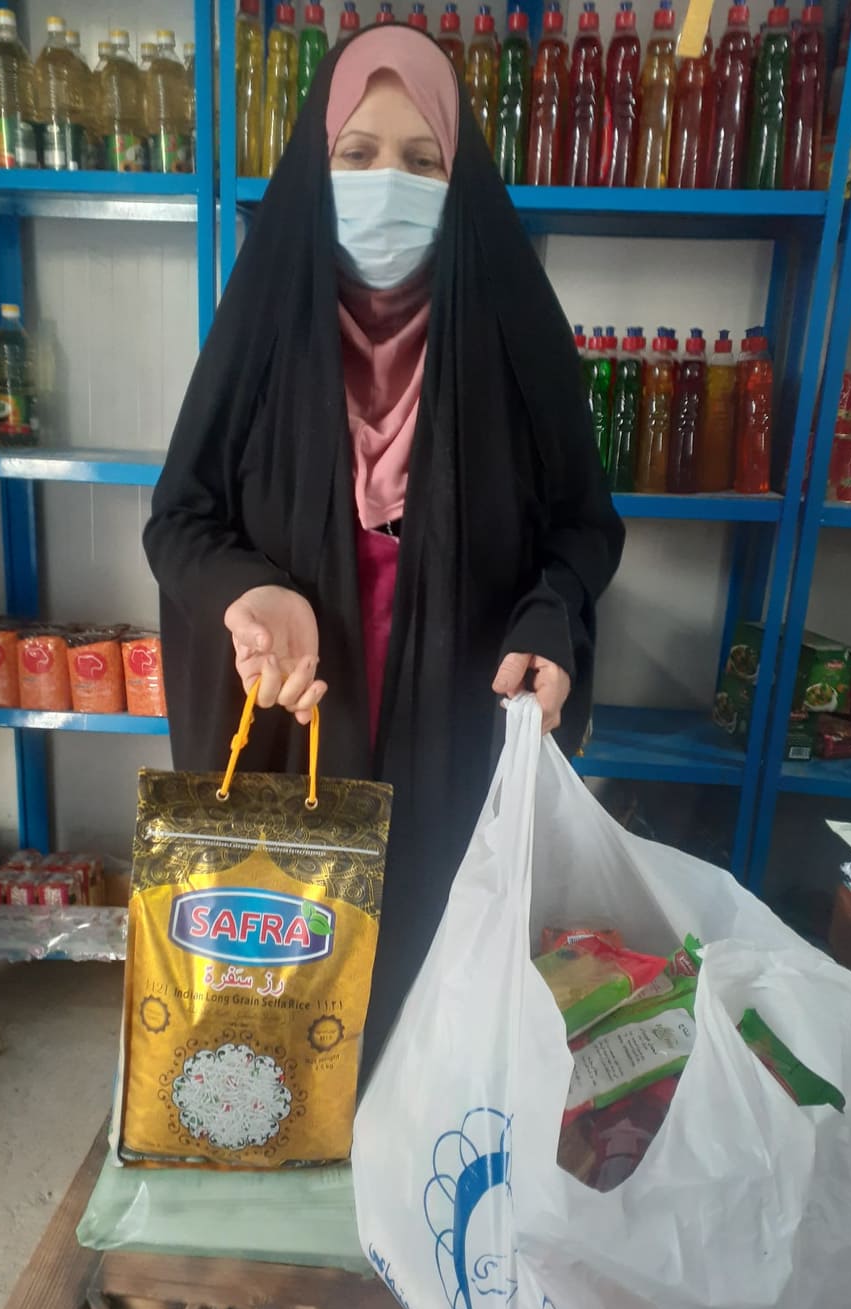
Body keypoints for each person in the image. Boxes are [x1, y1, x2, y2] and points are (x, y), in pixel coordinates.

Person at [143, 25, 624, 1066]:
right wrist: (245, 589)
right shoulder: (264, 330)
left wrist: (552, 615)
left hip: (456, 732)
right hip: (292, 731)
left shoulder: (515, 338)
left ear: (463, 179)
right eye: (356, 155)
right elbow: (179, 516)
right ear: (316, 167)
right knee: (286, 1024)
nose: (386, 185)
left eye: (422, 160)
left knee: (433, 1018)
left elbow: (585, 526)